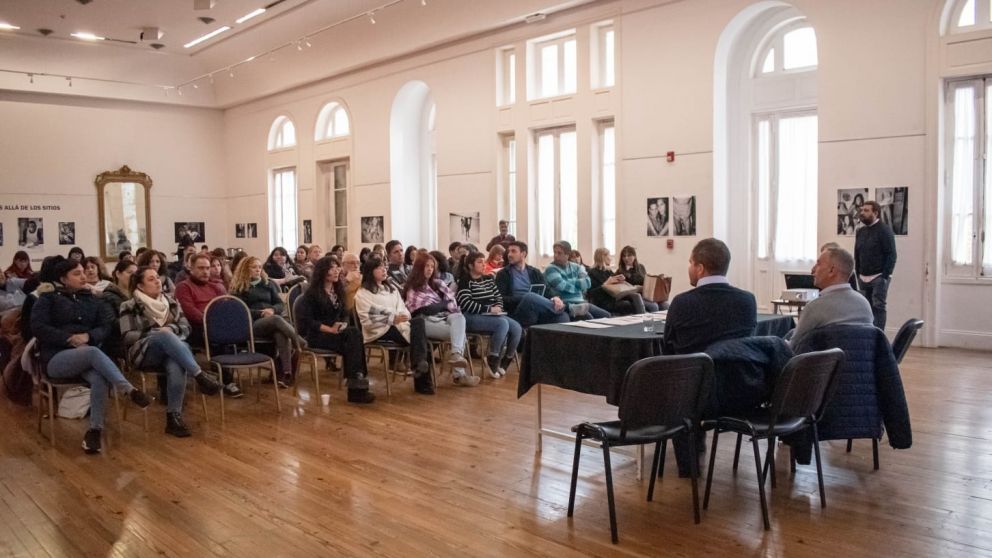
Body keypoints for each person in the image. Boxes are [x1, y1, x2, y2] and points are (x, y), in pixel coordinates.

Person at [30, 259, 152, 454]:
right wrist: (68, 338)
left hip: (87, 356)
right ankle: (128, 390)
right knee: (94, 352)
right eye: (77, 274)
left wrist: (89, 336)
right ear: (63, 278)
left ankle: (94, 430)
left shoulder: (93, 298)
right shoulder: (48, 299)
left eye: (83, 273)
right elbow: (38, 327)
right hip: (56, 357)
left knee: (99, 378)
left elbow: (107, 326)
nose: (83, 277)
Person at [119, 267, 222, 437]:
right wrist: (155, 333)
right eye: (151, 279)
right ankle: (199, 375)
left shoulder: (171, 302)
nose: (158, 281)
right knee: (165, 336)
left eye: (157, 277)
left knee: (175, 363)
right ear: (140, 286)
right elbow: (127, 336)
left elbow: (186, 328)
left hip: (175, 351)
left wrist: (170, 330)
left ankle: (173, 417)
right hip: (143, 352)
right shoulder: (129, 305)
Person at [295, 257, 374, 403]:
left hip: (335, 333)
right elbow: (307, 321)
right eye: (332, 268)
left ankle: (356, 383)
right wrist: (330, 329)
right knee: (353, 342)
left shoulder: (337, 292)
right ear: (323, 272)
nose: (336, 271)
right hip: (317, 335)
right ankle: (357, 384)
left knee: (354, 335)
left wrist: (341, 325)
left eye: (337, 267)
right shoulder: (311, 294)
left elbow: (344, 313)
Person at [662, 238, 756, 356]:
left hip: (692, 373)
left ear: (700, 269)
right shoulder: (748, 301)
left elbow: (667, 348)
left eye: (691, 263)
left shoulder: (682, 303)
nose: (689, 267)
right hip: (736, 373)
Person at [355, 256, 434, 394]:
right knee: (420, 342)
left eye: (385, 266)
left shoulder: (391, 289)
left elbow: (403, 308)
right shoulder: (362, 293)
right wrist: (393, 317)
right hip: (379, 329)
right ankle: (421, 374)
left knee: (419, 323)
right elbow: (369, 314)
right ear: (370, 271)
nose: (384, 269)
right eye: (379, 267)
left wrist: (403, 316)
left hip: (399, 324)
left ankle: (420, 368)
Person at [403, 252, 477, 387]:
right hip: (424, 322)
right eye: (426, 266)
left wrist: (441, 305)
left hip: (444, 318)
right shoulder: (413, 288)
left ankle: (455, 355)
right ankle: (459, 375)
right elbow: (425, 310)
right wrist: (443, 304)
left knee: (459, 317)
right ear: (419, 268)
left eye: (432, 266)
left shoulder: (438, 284)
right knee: (459, 335)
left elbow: (453, 304)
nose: (430, 269)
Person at [230, 256, 305, 387]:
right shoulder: (239, 287)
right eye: (254, 267)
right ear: (245, 270)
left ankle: (286, 374)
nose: (258, 270)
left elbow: (279, 304)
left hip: (272, 321)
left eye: (259, 267)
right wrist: (262, 313)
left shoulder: (268, 283)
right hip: (252, 323)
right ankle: (299, 341)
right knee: (277, 320)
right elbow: (240, 309)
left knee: (280, 333)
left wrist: (273, 310)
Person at [174, 254, 241, 398]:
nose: (205, 271)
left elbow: (225, 308)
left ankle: (222, 376)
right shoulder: (183, 287)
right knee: (219, 333)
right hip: (195, 328)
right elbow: (190, 312)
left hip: (216, 326)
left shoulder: (215, 287)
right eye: (200, 268)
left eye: (207, 268)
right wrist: (212, 322)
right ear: (190, 269)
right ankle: (226, 380)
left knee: (231, 330)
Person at [789, 247, 874, 349]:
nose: (813, 270)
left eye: (818, 264)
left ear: (832, 271)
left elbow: (792, 348)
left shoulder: (815, 307)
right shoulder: (864, 304)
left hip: (820, 364)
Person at [457, 251, 523, 377]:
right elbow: (465, 303)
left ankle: (505, 361)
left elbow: (498, 297)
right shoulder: (465, 281)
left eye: (484, 261)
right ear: (471, 266)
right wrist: (488, 309)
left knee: (517, 328)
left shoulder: (488, 279)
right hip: (471, 317)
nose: (483, 265)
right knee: (502, 324)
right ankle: (492, 358)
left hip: (492, 316)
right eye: (479, 262)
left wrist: (498, 307)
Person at [494, 241, 569, 328]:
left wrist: (555, 298)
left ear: (523, 254)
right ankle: (567, 308)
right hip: (517, 311)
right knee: (530, 297)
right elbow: (500, 299)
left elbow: (547, 290)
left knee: (563, 317)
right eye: (509, 251)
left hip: (537, 310)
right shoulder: (503, 274)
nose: (509, 254)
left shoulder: (534, 272)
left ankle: (562, 311)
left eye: (513, 251)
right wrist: (524, 298)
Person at [855, 200, 897, 329]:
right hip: (862, 277)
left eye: (866, 211)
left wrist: (884, 277)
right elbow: (857, 253)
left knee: (878, 307)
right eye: (861, 210)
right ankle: (868, 334)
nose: (862, 213)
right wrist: (857, 272)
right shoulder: (860, 231)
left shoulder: (884, 230)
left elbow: (892, 255)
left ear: (876, 213)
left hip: (878, 277)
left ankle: (878, 337)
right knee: (865, 308)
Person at [543, 241, 606, 319]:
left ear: (567, 255)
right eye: (555, 252)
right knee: (590, 318)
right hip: (565, 303)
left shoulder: (577, 267)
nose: (555, 255)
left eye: (559, 253)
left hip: (581, 301)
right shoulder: (551, 269)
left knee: (607, 316)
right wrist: (578, 286)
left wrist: (567, 281)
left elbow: (587, 283)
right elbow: (561, 286)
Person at [586, 247, 658, 315]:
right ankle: (643, 317)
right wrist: (606, 283)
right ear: (603, 257)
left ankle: (644, 316)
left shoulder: (608, 271)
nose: (610, 258)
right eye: (609, 256)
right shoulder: (592, 272)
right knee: (633, 298)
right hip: (605, 301)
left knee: (636, 297)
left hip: (614, 298)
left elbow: (615, 287)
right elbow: (591, 294)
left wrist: (620, 281)